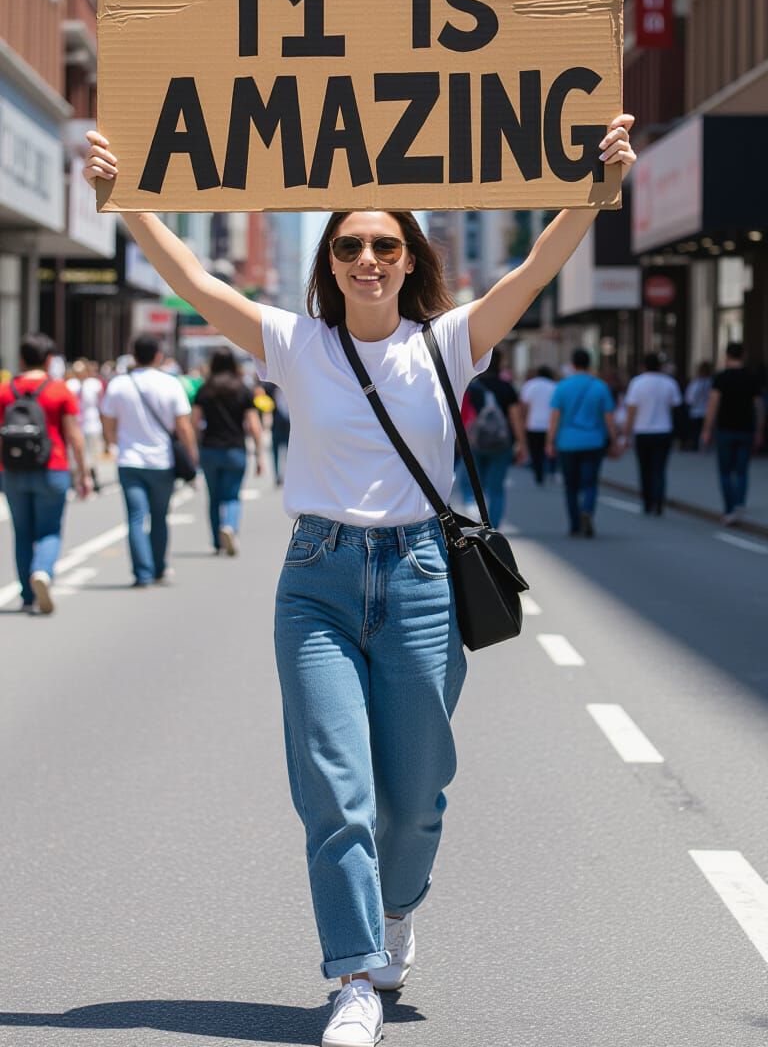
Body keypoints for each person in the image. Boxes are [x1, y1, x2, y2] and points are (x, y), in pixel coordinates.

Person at [83, 114, 635, 1047]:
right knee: (335, 788)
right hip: (317, 581)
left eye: (385, 243)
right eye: (350, 245)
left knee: (415, 796)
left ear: (410, 257)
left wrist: (598, 188)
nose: (367, 258)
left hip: (422, 577)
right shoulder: (293, 342)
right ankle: (352, 979)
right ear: (330, 260)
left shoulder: (450, 342)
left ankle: (395, 912)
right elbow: (191, 279)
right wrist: (126, 201)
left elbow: (533, 268)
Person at [0, 333, 92, 613]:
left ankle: (27, 595)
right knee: (49, 529)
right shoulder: (59, 390)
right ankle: (42, 571)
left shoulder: (5, 391)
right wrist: (84, 473)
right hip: (53, 467)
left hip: (12, 470)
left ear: (21, 359)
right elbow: (74, 435)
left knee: (22, 531)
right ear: (49, 359)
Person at [100, 333, 199, 587]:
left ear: (134, 356)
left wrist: (115, 443)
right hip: (161, 462)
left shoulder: (119, 384)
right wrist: (191, 455)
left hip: (129, 461)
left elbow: (108, 423)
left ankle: (141, 573)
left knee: (135, 517)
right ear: (158, 355)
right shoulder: (170, 383)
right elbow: (183, 427)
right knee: (159, 516)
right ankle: (159, 568)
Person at [192, 346, 265, 555]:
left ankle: (216, 541)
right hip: (235, 449)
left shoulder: (204, 390)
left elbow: (195, 422)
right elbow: (253, 425)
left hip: (210, 448)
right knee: (232, 495)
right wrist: (259, 454)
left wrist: (196, 449)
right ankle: (230, 527)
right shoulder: (242, 389)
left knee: (213, 497)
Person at [547, 349, 618, 538]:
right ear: (590, 364)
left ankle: (574, 524)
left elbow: (554, 417)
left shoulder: (562, 386)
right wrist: (615, 439)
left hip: (567, 442)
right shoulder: (600, 387)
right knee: (590, 483)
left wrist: (550, 442)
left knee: (570, 486)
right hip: (594, 442)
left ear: (573, 364)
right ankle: (587, 509)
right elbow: (609, 417)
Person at [701, 341, 765, 524]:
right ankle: (739, 503)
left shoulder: (721, 377)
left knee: (725, 471)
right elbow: (759, 406)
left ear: (726, 356)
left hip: (725, 430)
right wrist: (759, 429)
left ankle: (729, 508)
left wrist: (706, 429)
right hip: (746, 429)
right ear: (743, 355)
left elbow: (712, 405)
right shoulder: (752, 377)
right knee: (742, 470)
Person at [463, 349, 519, 528]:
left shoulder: (472, 387)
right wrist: (522, 442)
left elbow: (462, 415)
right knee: (497, 488)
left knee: (476, 484)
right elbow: (515, 416)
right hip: (501, 442)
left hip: (476, 442)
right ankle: (492, 526)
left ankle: (477, 515)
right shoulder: (506, 387)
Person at [623, 354, 682, 515]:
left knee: (644, 468)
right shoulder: (669, 383)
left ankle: (647, 501)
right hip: (663, 429)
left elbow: (631, 411)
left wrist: (626, 435)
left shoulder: (637, 383)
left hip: (642, 431)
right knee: (660, 469)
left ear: (643, 366)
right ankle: (659, 501)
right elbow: (676, 406)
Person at [66, 358, 105, 491]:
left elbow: (101, 405)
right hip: (76, 424)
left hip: (92, 424)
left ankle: (92, 475)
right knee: (75, 452)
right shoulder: (70, 385)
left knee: (92, 452)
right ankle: (77, 477)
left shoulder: (95, 384)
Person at [517, 365, 557, 485]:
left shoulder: (530, 385)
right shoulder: (554, 386)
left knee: (536, 451)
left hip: (533, 423)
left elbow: (524, 406)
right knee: (550, 448)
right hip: (550, 424)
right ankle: (551, 470)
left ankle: (539, 474)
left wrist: (523, 420)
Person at [684, 361, 713, 451]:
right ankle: (703, 446)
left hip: (697, 411)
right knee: (703, 430)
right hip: (706, 411)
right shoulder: (711, 383)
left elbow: (689, 398)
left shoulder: (696, 383)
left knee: (696, 431)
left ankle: (697, 446)